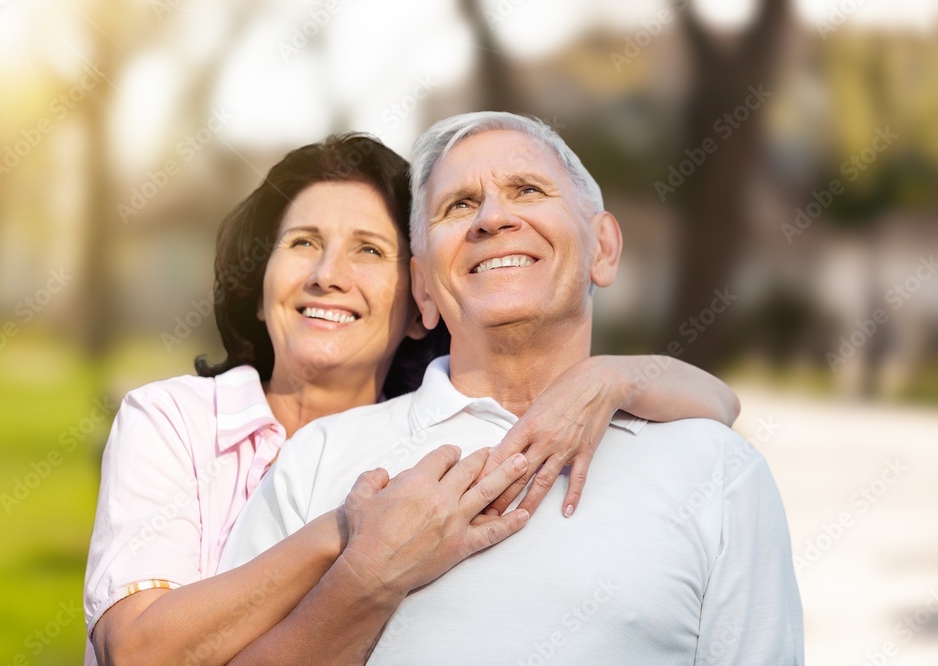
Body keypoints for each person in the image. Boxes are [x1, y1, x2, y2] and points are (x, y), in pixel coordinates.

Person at [84, 133, 741, 665]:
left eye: (369, 250)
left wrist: (613, 378)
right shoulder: (178, 421)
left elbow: (720, 405)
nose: (326, 276)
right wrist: (351, 534)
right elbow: (137, 654)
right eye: (302, 243)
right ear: (258, 289)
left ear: (420, 301)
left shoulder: (436, 441)